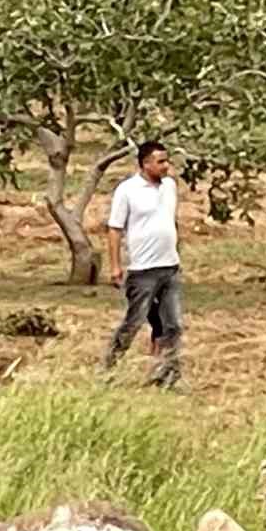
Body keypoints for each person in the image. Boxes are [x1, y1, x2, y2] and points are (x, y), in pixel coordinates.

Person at [100, 140, 184, 388]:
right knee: (134, 322)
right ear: (145, 163)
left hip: (169, 266)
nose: (166, 166)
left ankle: (168, 375)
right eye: (160, 162)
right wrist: (115, 265)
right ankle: (110, 366)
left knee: (173, 324)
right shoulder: (127, 190)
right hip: (142, 271)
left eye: (167, 160)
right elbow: (115, 229)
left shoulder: (169, 186)